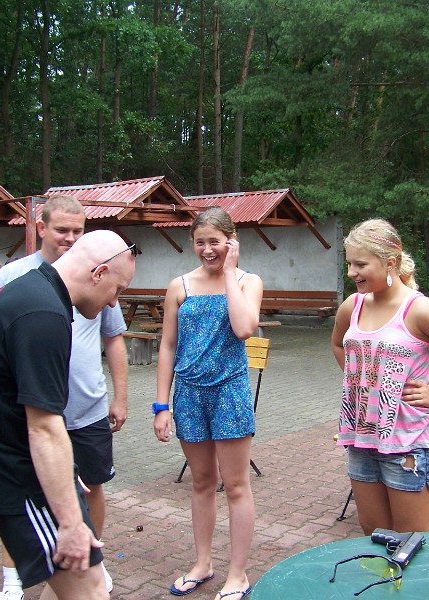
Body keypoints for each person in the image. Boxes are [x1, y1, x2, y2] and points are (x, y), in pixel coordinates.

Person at [0, 230, 136, 600]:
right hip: (20, 476)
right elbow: (44, 428)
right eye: (117, 289)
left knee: (80, 582)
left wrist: (63, 473)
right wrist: (68, 519)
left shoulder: (30, 291)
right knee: (90, 590)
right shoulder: (43, 313)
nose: (114, 302)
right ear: (99, 273)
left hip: (23, 465)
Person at [330, 219, 429, 535]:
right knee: (373, 535)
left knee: (410, 542)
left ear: (390, 262)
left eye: (360, 264)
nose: (351, 272)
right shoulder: (353, 306)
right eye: (349, 263)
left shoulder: (419, 310)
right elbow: (338, 344)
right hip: (362, 438)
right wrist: (365, 382)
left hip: (409, 444)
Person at [153, 207, 262, 600]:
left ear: (231, 241)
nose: (207, 250)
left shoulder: (248, 281)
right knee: (201, 482)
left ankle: (238, 574)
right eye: (200, 242)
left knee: (236, 485)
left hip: (229, 393)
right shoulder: (179, 286)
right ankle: (203, 563)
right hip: (189, 395)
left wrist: (230, 272)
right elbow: (168, 346)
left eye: (215, 241)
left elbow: (244, 327)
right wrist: (160, 405)